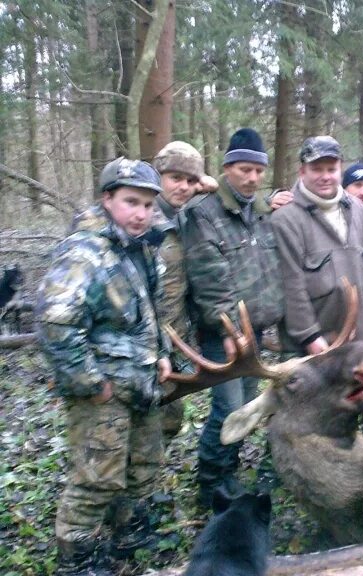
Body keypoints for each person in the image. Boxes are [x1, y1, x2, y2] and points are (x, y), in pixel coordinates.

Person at [37, 158, 172, 575]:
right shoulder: (85, 252)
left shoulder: (139, 248)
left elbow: (150, 313)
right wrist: (92, 384)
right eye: (132, 202)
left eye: (148, 205)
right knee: (96, 478)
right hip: (104, 391)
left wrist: (163, 353)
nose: (141, 214)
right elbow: (56, 322)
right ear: (107, 198)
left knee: (143, 465)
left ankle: (129, 537)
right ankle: (78, 559)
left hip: (140, 382)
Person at [182, 128, 284, 508]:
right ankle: (212, 488)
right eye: (244, 169)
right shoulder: (204, 213)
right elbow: (209, 277)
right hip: (223, 333)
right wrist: (229, 329)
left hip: (253, 331)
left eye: (258, 171)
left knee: (244, 408)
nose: (252, 178)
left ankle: (229, 473)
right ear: (226, 169)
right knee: (227, 409)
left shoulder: (262, 211)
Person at [270, 136, 363, 355]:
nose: (325, 176)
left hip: (357, 339)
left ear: (340, 171)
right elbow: (290, 284)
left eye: (331, 169)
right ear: (302, 172)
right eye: (316, 169)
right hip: (312, 346)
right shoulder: (285, 218)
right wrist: (309, 336)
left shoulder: (358, 209)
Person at [151, 140, 205, 442]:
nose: (183, 187)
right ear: (158, 176)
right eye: (175, 178)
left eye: (190, 180)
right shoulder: (142, 218)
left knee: (170, 417)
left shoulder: (184, 215)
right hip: (143, 342)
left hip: (175, 338)